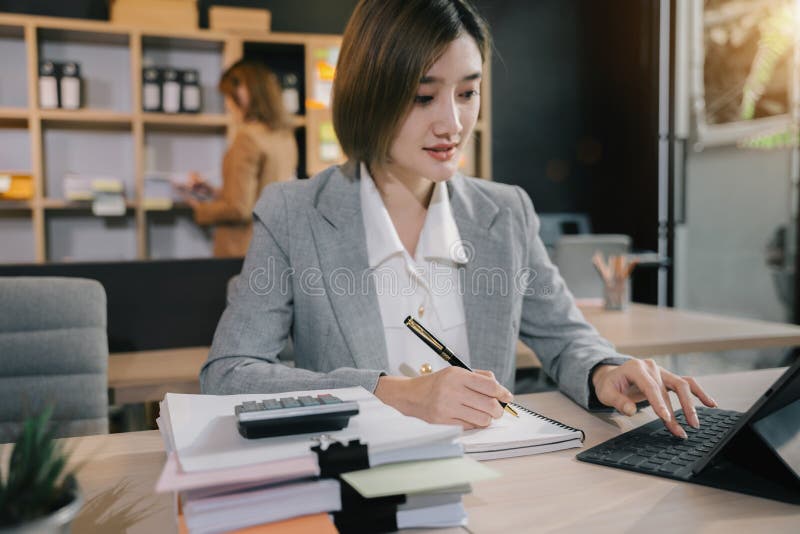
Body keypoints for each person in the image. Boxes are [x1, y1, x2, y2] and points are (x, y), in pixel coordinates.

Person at [201, 0, 716, 438]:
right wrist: (388, 392)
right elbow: (228, 374)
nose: (452, 123)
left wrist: (604, 370)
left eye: (467, 93)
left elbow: (565, 338)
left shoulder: (505, 211)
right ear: (369, 94)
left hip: (494, 480)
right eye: (424, 97)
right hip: (360, 483)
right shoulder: (294, 213)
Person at [187, 60, 299, 258]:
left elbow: (239, 209)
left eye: (229, 96)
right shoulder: (285, 136)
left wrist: (201, 210)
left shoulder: (247, 137)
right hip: (275, 247)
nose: (227, 104)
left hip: (242, 250)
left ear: (244, 93)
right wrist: (215, 192)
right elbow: (262, 192)